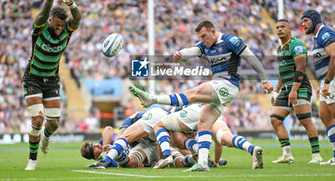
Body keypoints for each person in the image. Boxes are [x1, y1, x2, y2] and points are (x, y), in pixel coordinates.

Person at [129, 19, 273, 171]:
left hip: (227, 84)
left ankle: (152, 98)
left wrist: (264, 79)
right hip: (220, 89)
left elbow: (251, 57)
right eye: (200, 38)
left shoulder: (230, 40)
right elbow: (192, 50)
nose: (202, 40)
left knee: (193, 93)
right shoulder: (205, 45)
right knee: (203, 124)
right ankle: (204, 163)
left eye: (204, 36)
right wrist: (180, 54)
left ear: (213, 31)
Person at [23, 0, 82, 170]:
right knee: (37, 119)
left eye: (61, 26)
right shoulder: (40, 28)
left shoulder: (66, 30)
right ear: (50, 22)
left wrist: (71, 4)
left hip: (52, 80)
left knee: (54, 123)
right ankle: (32, 160)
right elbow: (42, 13)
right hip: (33, 78)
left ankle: (46, 139)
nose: (59, 29)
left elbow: (78, 19)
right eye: (56, 25)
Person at [270, 19, 322, 164]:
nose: (280, 29)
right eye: (277, 27)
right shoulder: (280, 48)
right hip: (286, 88)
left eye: (283, 27)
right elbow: (282, 71)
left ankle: (316, 156)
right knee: (275, 119)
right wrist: (276, 91)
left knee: (305, 120)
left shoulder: (296, 45)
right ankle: (287, 155)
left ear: (289, 29)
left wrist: (294, 90)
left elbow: (300, 68)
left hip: (300, 86)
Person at [153, 103, 263, 169]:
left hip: (190, 112)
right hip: (210, 110)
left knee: (174, 138)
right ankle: (252, 148)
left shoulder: (173, 114)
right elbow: (218, 144)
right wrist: (216, 161)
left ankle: (166, 157)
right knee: (224, 137)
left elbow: (174, 140)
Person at [301, 10, 335, 165]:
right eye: (302, 22)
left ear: (315, 20)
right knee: (324, 114)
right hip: (327, 80)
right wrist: (323, 83)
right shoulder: (317, 38)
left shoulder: (325, 33)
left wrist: (328, 81)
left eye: (306, 21)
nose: (303, 25)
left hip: (334, 78)